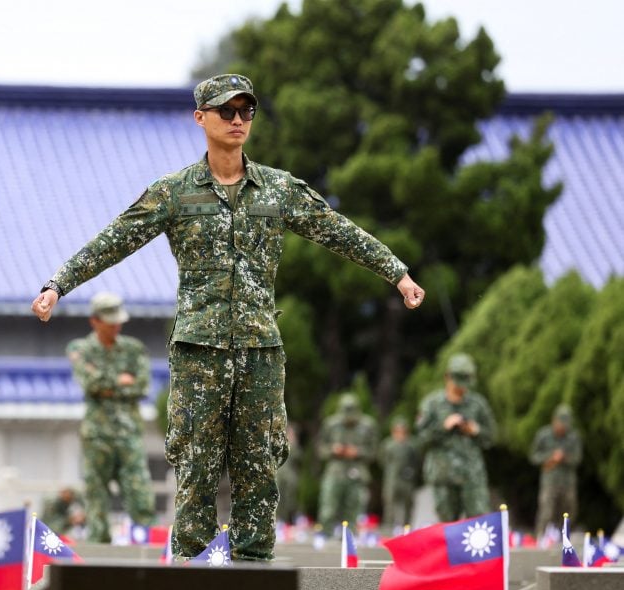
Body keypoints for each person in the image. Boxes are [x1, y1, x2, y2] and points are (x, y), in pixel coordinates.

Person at [31, 74, 425, 561]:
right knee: (196, 468)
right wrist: (58, 284)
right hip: (199, 355)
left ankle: (254, 577)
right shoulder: (174, 193)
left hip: (261, 351)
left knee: (259, 466)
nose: (238, 121)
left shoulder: (278, 190)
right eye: (226, 112)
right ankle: (192, 581)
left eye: (246, 112)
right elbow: (114, 240)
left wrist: (398, 273)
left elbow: (339, 231)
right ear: (201, 118)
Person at [65, 292, 155, 542]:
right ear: (94, 321)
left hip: (129, 434)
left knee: (140, 493)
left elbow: (142, 387)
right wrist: (121, 381)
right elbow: (89, 384)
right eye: (110, 321)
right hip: (97, 435)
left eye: (118, 321)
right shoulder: (80, 349)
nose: (116, 326)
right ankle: (98, 551)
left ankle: (146, 544)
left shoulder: (134, 349)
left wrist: (105, 382)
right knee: (96, 496)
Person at [415, 353, 496, 522]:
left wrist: (475, 431)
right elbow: (421, 441)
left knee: (478, 525)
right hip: (443, 475)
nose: (461, 387)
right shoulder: (432, 404)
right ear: (447, 377)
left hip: (472, 475)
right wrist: (443, 427)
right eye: (458, 381)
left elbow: (491, 438)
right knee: (447, 527)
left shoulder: (478, 404)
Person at [316, 394, 379, 534]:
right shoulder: (331, 424)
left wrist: (358, 452)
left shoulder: (368, 425)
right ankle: (325, 534)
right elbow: (321, 449)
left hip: (357, 470)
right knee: (329, 505)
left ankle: (350, 536)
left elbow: (374, 452)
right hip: (335, 469)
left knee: (354, 506)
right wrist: (333, 449)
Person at [530, 404, 582, 537]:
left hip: (567, 482)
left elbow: (577, 459)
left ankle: (564, 538)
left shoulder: (573, 437)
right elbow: (534, 456)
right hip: (550, 480)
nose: (562, 428)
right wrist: (550, 457)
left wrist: (564, 458)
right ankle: (540, 537)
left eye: (565, 425)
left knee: (568, 511)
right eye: (560, 423)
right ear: (554, 420)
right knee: (546, 510)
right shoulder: (543, 435)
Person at [379, 416, 419, 530]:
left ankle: (406, 527)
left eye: (403, 431)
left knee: (408, 504)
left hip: (407, 479)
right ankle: (388, 527)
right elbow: (382, 459)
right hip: (392, 479)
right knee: (389, 504)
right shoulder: (388, 445)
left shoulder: (412, 445)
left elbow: (416, 460)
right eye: (398, 431)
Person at [276, 423, 301, 524]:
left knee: (290, 500)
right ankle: (278, 520)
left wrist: (293, 442)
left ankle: (288, 521)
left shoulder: (293, 444)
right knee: (277, 499)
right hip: (278, 475)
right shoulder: (276, 442)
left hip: (290, 476)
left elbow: (298, 457)